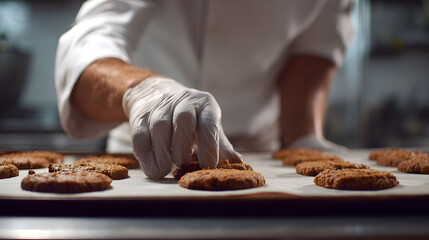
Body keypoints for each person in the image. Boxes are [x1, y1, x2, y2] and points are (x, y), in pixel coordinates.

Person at [55, 0, 354, 179]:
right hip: (148, 149)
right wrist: (144, 91)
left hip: (261, 155)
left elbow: (312, 49)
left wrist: (305, 139)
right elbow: (88, 47)